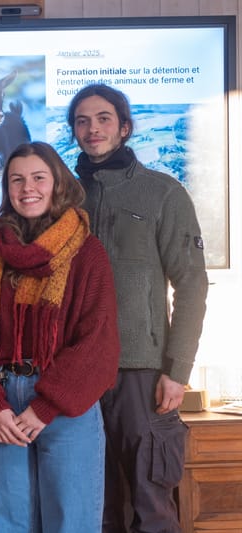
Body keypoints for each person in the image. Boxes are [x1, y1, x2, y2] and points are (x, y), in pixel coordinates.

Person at [67, 84, 209, 532]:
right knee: (94, 507)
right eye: (82, 121)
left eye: (103, 119)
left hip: (141, 376)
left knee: (151, 507)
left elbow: (191, 284)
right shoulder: (62, 197)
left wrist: (177, 370)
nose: (92, 129)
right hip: (76, 373)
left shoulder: (163, 193)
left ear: (124, 127)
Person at [0, 141, 120, 532]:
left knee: (71, 522)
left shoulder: (86, 252)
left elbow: (96, 341)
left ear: (57, 183)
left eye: (38, 178)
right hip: (2, 403)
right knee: (9, 522)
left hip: (66, 403)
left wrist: (45, 407)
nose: (27, 188)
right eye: (16, 180)